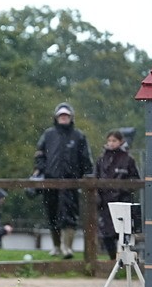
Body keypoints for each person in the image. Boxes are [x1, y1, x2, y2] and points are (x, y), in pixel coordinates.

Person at [34, 102, 93, 258]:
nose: (63, 118)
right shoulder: (48, 135)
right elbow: (39, 155)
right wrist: (43, 170)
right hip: (51, 181)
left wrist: (85, 178)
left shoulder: (79, 136)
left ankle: (68, 248)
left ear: (71, 117)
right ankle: (56, 246)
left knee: (70, 215)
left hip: (71, 182)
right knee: (51, 213)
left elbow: (86, 160)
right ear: (56, 117)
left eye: (66, 115)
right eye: (61, 115)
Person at [95, 129, 140, 259]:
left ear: (120, 142)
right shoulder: (101, 159)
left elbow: (135, 180)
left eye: (114, 140)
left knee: (123, 233)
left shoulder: (128, 159)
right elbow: (95, 179)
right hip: (105, 202)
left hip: (122, 201)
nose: (111, 143)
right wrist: (98, 196)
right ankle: (113, 260)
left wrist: (122, 189)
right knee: (106, 234)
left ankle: (125, 261)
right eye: (109, 140)